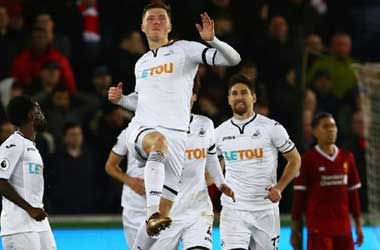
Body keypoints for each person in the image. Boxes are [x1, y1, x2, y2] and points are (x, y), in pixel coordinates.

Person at [108, 2, 240, 236]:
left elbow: (233, 59)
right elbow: (141, 102)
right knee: (158, 142)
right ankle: (151, 212)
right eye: (151, 18)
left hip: (177, 138)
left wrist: (213, 40)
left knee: (159, 227)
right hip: (145, 130)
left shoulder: (185, 50)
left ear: (170, 25)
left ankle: (152, 222)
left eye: (161, 18)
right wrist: (122, 100)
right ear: (142, 26)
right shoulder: (142, 63)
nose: (156, 22)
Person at [106, 82, 235, 249]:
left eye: (186, 92)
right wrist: (123, 100)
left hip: (197, 211)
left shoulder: (205, 125)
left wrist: (220, 182)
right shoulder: (154, 131)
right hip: (166, 213)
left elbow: (211, 156)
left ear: (194, 96)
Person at [215, 74, 301, 250]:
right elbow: (212, 168)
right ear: (229, 100)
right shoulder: (218, 133)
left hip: (265, 210)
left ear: (253, 97)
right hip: (234, 210)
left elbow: (295, 159)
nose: (239, 96)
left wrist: (279, 187)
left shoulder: (272, 128)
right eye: (235, 93)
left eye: (244, 92)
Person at [291, 112, 364, 250]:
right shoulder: (307, 160)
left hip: (343, 228)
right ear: (314, 131)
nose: (331, 129)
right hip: (318, 229)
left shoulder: (347, 158)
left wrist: (359, 226)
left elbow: (353, 195)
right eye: (325, 126)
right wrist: (295, 230)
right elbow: (299, 198)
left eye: (333, 126)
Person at [0, 95, 56, 250]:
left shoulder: (31, 146)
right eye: (38, 109)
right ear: (30, 115)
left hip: (38, 222)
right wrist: (29, 208)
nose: (41, 113)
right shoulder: (13, 144)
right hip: (19, 226)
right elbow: (0, 181)